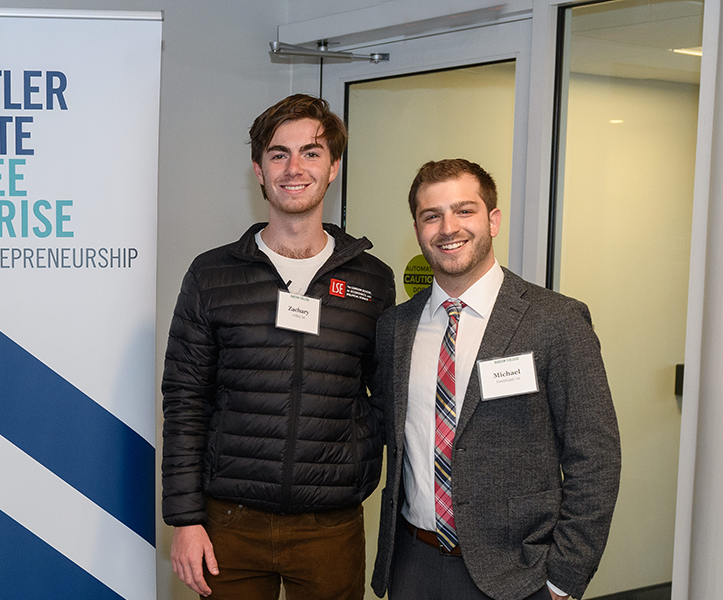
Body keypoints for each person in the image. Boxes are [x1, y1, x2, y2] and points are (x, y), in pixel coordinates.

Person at [162, 94, 395, 599]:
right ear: (258, 169)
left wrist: (356, 464)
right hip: (229, 525)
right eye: (278, 154)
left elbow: (387, 396)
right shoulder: (212, 274)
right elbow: (185, 403)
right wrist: (185, 519)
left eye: (311, 153)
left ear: (333, 166)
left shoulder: (372, 281)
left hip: (329, 526)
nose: (294, 168)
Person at [369, 159, 621, 600]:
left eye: (464, 210)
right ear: (417, 229)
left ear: (493, 220)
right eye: (432, 215)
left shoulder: (555, 320)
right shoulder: (395, 327)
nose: (448, 227)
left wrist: (564, 579)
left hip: (519, 576)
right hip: (413, 566)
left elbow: (595, 458)